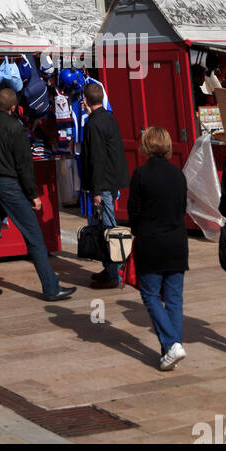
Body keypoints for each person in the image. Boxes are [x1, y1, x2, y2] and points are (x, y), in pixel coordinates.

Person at [0, 86, 76, 301]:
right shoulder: (16, 128)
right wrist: (33, 194)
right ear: (13, 107)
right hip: (9, 186)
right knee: (34, 236)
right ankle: (51, 288)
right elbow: (24, 166)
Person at [128, 126, 188, 371]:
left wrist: (137, 230)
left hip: (152, 242)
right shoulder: (178, 174)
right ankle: (171, 349)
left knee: (150, 295)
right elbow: (182, 208)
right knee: (174, 299)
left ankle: (172, 345)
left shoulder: (141, 174)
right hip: (176, 241)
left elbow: (134, 211)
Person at [81, 81, 130, 288]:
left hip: (103, 183)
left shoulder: (93, 124)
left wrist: (97, 190)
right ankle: (109, 269)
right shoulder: (109, 118)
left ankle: (114, 275)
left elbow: (97, 159)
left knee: (109, 228)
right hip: (112, 181)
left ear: (86, 101)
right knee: (104, 226)